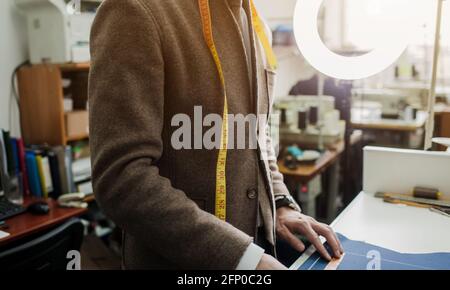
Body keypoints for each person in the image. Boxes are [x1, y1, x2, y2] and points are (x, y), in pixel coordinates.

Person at [89, 0, 343, 270]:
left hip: (256, 253)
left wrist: (279, 202)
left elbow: (257, 135)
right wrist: (244, 259)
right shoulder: (136, 10)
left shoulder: (258, 28)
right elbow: (122, 177)